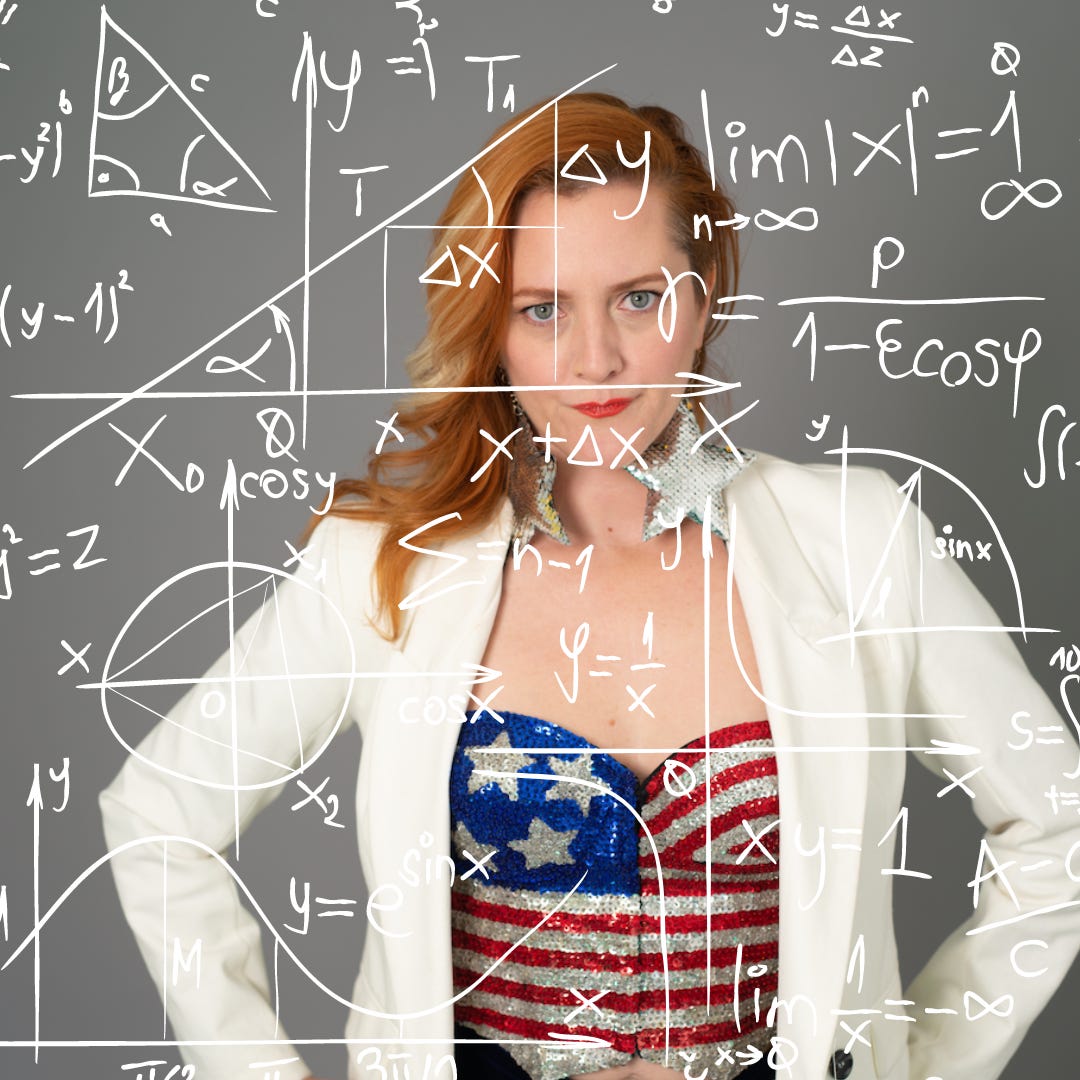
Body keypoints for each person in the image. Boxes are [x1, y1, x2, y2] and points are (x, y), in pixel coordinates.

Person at [99, 92, 1080, 1080]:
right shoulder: (385, 561)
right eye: (542, 309)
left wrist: (918, 1064)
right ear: (494, 329)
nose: (596, 358)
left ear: (699, 304)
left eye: (639, 298)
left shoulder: (862, 539)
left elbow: (1063, 825)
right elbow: (159, 817)